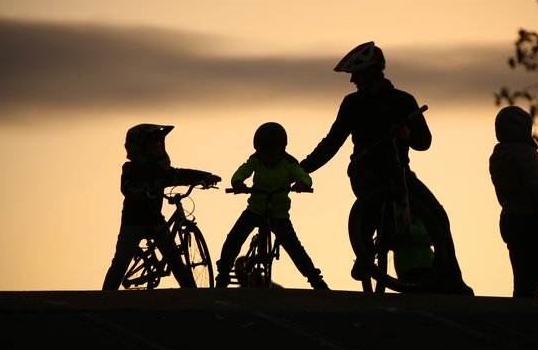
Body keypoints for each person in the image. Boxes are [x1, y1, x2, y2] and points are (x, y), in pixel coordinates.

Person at [300, 41, 473, 295]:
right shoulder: (352, 104)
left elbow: (424, 142)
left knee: (437, 215)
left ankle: (454, 279)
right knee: (373, 199)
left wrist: (407, 134)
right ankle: (365, 252)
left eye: (355, 75)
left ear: (371, 73)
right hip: (365, 170)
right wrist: (303, 168)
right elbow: (332, 143)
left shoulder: (403, 100)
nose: (352, 81)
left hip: (399, 172)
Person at [102, 123, 221, 290]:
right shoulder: (130, 169)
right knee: (121, 262)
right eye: (154, 144)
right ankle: (105, 297)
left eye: (160, 143)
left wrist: (205, 176)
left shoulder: (161, 170)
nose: (159, 147)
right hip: (133, 223)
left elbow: (180, 175)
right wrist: (136, 192)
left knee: (175, 260)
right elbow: (127, 187)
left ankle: (192, 294)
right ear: (140, 149)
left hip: (156, 221)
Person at [215, 122, 329, 290]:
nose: (267, 157)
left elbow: (304, 176)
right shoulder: (255, 160)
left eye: (271, 153)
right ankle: (223, 275)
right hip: (254, 210)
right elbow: (242, 171)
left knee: (294, 248)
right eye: (262, 152)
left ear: (281, 149)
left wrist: (303, 184)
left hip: (279, 215)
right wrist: (238, 182)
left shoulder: (290, 164)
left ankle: (315, 280)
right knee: (233, 239)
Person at [489, 106, 538, 298]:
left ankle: (522, 310)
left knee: (521, 276)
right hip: (532, 220)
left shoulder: (498, 156)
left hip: (511, 219)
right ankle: (526, 315)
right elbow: (537, 188)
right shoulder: (525, 153)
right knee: (532, 278)